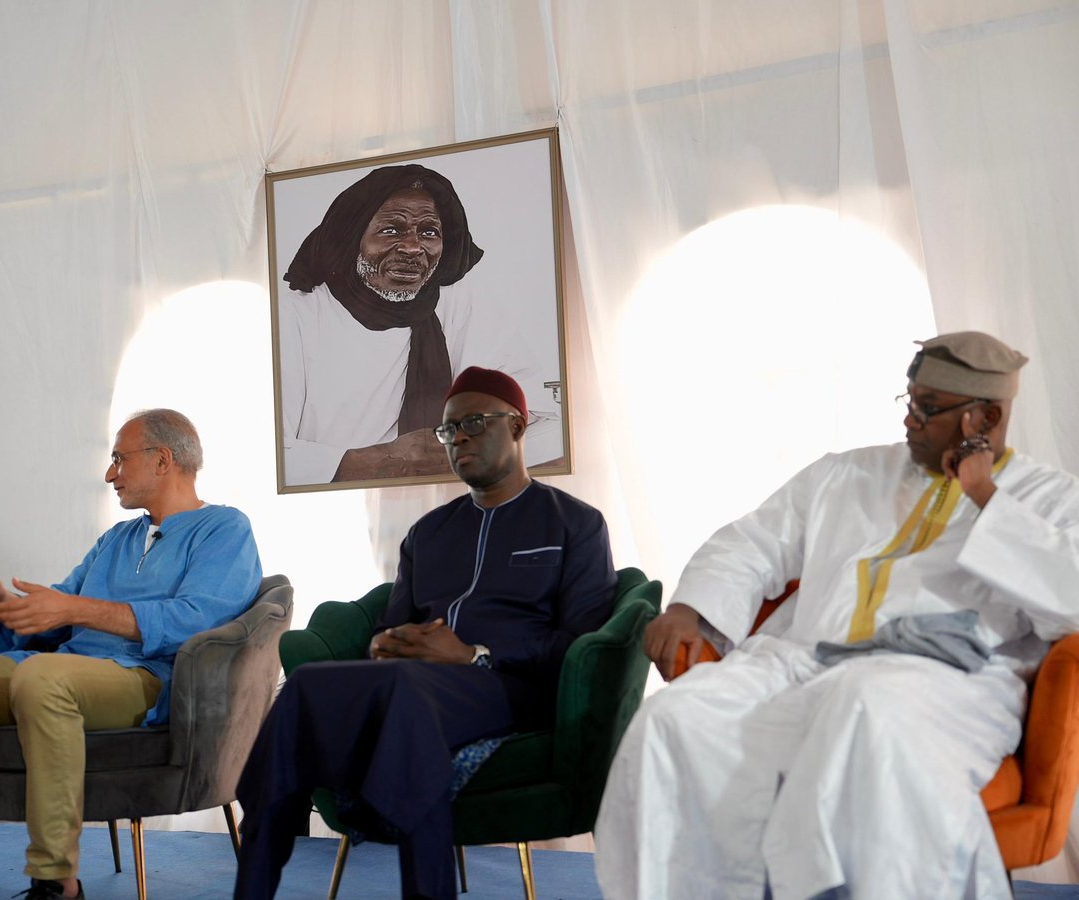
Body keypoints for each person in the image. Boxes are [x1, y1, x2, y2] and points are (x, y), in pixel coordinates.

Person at [595, 332, 1079, 900]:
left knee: (865, 707)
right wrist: (688, 607)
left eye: (929, 409)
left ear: (987, 416)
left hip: (943, 680)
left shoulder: (1049, 497)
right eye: (909, 402)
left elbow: (1068, 598)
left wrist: (984, 496)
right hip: (801, 661)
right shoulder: (846, 474)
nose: (911, 421)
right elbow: (754, 542)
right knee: (672, 723)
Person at [234, 367, 616, 899]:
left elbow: (582, 642)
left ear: (519, 427)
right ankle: (253, 885)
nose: (458, 437)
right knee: (304, 687)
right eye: (449, 429)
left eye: (475, 423)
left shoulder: (575, 524)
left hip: (510, 687)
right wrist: (382, 644)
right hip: (415, 682)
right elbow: (395, 624)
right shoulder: (430, 532)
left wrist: (475, 653)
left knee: (409, 694)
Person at [0, 409, 262, 900]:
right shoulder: (117, 538)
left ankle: (56, 882)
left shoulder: (224, 529)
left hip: (142, 678)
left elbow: (197, 619)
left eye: (119, 458)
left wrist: (75, 609)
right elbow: (62, 612)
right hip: (53, 669)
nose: (110, 473)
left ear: (163, 460)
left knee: (45, 678)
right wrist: (7, 608)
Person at [278, 163, 561, 486]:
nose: (413, 247)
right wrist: (380, 462)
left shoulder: (458, 302)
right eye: (391, 230)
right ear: (353, 237)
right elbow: (268, 454)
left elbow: (536, 413)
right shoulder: (295, 317)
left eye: (428, 232)